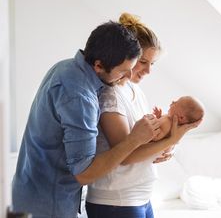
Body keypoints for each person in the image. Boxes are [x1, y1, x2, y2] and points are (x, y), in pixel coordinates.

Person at [11, 20, 162, 218]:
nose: (128, 77)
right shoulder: (80, 96)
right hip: (49, 204)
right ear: (99, 65)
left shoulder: (64, 67)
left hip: (28, 191)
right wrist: (135, 140)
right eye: (123, 72)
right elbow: (85, 173)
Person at [85, 13, 202, 218]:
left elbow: (144, 143)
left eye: (152, 64)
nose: (148, 71)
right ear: (126, 56)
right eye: (143, 62)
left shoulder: (135, 91)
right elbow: (127, 155)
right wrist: (173, 139)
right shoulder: (109, 96)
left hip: (141, 197)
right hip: (116, 201)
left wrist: (165, 147)